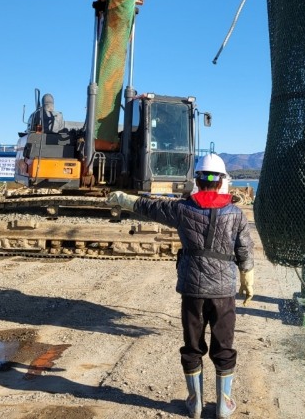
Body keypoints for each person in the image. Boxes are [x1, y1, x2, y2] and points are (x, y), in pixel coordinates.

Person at [107, 152, 254, 419]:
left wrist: (125, 199)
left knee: (193, 345)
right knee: (224, 345)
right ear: (221, 182)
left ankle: (195, 403)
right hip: (223, 293)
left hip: (192, 290)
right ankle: (223, 404)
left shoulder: (182, 209)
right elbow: (245, 248)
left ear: (197, 181)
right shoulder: (236, 214)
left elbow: (152, 208)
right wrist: (247, 277)